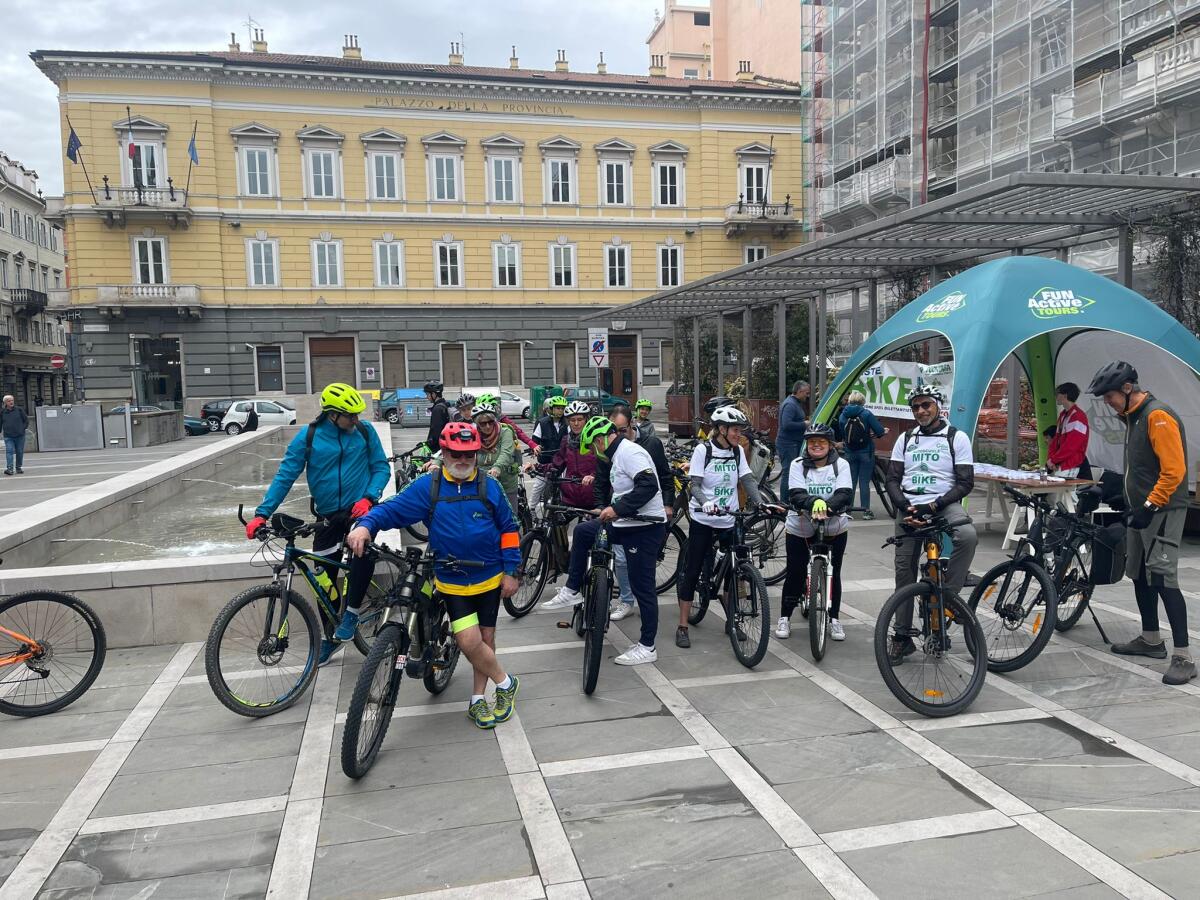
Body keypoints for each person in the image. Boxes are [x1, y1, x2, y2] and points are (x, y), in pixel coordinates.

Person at [347, 422, 522, 728]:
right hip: (452, 580)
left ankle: (478, 699)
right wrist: (366, 525)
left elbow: (509, 529)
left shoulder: (489, 486)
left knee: (485, 640)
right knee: (469, 642)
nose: (463, 460)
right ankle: (506, 683)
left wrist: (511, 571)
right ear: (445, 452)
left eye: (469, 454)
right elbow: (392, 509)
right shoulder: (430, 485)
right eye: (456, 453)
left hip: (490, 577)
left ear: (477, 454)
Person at [247, 383, 390, 664]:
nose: (356, 420)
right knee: (323, 580)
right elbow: (285, 476)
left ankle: (351, 615)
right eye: (351, 416)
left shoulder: (364, 432)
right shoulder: (309, 436)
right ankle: (330, 637)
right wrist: (262, 514)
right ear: (333, 414)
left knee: (362, 550)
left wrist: (369, 497)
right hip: (326, 518)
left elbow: (381, 467)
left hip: (360, 512)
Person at [1089, 361, 1194, 685]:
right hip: (1142, 509)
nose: (1107, 403)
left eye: (1109, 397)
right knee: (1139, 575)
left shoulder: (1156, 416)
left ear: (1127, 388)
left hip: (1163, 511)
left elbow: (1174, 471)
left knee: (1163, 578)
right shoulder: (1133, 417)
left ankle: (1184, 657)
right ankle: (1150, 639)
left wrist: (1150, 505)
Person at [539, 416, 666, 665]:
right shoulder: (616, 454)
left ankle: (647, 646)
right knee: (585, 532)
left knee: (644, 588)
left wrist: (617, 509)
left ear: (600, 439)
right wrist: (609, 508)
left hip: (644, 527)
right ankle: (573, 589)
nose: (595, 452)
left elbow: (648, 486)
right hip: (625, 523)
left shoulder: (629, 452)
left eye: (594, 446)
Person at [883, 386, 977, 664]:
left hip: (943, 505)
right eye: (916, 407)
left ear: (938, 406)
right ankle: (902, 637)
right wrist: (905, 506)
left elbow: (965, 482)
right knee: (904, 571)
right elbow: (892, 479)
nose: (921, 411)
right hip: (910, 506)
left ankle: (949, 595)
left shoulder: (956, 437)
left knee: (968, 536)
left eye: (926, 405)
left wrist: (934, 506)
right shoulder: (905, 438)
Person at [675, 404, 765, 649]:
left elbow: (747, 479)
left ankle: (732, 620)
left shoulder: (736, 452)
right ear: (721, 429)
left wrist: (761, 504)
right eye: (735, 430)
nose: (739, 434)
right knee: (692, 572)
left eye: (740, 430)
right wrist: (705, 503)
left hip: (729, 519)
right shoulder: (703, 451)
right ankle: (683, 625)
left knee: (734, 574)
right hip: (704, 519)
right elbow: (694, 485)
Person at [777, 423, 852, 640]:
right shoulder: (798, 464)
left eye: (821, 442)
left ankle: (834, 619)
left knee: (834, 572)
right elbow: (796, 493)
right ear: (807, 445)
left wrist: (828, 507)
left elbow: (844, 493)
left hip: (834, 526)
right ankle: (785, 617)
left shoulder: (841, 465)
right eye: (812, 442)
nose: (816, 445)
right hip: (800, 526)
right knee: (795, 571)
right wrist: (814, 502)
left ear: (830, 445)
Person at [608, 405, 675, 622]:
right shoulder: (610, 447)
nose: (617, 436)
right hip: (621, 513)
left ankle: (646, 634)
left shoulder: (651, 444)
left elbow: (663, 477)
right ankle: (626, 600)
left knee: (641, 572)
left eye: (621, 430)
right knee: (619, 558)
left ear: (632, 424)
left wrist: (668, 503)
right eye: (613, 430)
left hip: (645, 516)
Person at [531, 400, 597, 510]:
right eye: (572, 420)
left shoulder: (596, 440)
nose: (576, 423)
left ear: (586, 419)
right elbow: (557, 465)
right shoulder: (566, 441)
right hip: (570, 498)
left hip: (592, 498)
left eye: (580, 420)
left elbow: (604, 467)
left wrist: (593, 476)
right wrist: (536, 467)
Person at [838, 390, 887, 519]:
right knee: (864, 482)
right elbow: (879, 431)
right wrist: (884, 431)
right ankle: (866, 511)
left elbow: (843, 434)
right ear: (862, 401)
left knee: (851, 481)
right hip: (866, 452)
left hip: (849, 452)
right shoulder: (866, 413)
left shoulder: (843, 415)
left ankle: (848, 509)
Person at [472, 402, 520, 513]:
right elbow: (456, 449)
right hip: (482, 482)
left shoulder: (505, 432)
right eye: (483, 423)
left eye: (490, 422)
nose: (487, 426)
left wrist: (497, 467)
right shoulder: (473, 434)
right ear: (477, 423)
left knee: (510, 517)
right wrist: (437, 461)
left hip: (506, 482)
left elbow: (506, 453)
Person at [529, 395, 569, 510]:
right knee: (538, 486)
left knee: (567, 484)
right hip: (546, 461)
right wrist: (535, 449)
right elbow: (534, 441)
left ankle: (566, 508)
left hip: (562, 462)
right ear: (551, 409)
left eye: (562, 408)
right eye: (557, 408)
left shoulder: (567, 423)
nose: (560, 411)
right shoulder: (542, 423)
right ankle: (531, 510)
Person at [1046, 382, 1090, 478]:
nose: (1056, 396)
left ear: (1065, 395)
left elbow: (1072, 446)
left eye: (1057, 394)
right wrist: (1051, 459)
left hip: (1072, 464)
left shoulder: (1079, 417)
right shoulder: (1063, 415)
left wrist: (1053, 460)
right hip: (1060, 463)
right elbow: (1055, 441)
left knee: (1062, 491)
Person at [777, 381, 811, 497]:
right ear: (800, 391)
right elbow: (786, 425)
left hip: (792, 443)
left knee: (792, 472)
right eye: (806, 393)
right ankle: (784, 503)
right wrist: (804, 424)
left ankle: (790, 500)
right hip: (788, 444)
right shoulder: (790, 405)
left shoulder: (793, 403)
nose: (808, 395)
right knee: (788, 473)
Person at [1, 395, 28, 475]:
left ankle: (18, 467)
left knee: (19, 452)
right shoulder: (2, 412)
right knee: (9, 451)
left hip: (20, 435)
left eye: (12, 400)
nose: (11, 402)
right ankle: (10, 468)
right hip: (8, 436)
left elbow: (26, 421)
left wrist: (22, 429)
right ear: (5, 402)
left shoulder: (19, 410)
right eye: (9, 401)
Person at [421, 380, 450, 453]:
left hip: (439, 449)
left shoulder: (437, 409)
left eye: (427, 394)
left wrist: (429, 444)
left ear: (433, 394)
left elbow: (436, 431)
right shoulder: (446, 405)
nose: (427, 397)